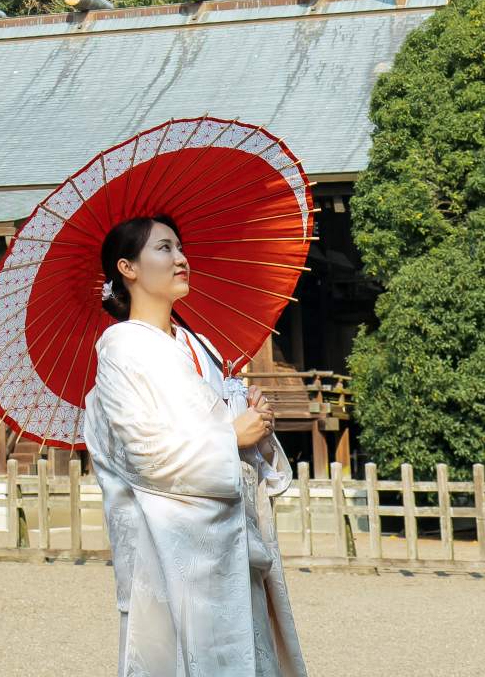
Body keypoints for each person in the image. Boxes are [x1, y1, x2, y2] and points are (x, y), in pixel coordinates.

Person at [81, 214, 310, 677]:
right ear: (127, 268)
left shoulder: (199, 344)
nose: (180, 258)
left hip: (232, 539)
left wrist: (256, 424)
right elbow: (144, 454)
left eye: (180, 248)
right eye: (164, 248)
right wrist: (231, 435)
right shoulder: (122, 350)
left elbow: (232, 433)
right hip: (170, 549)